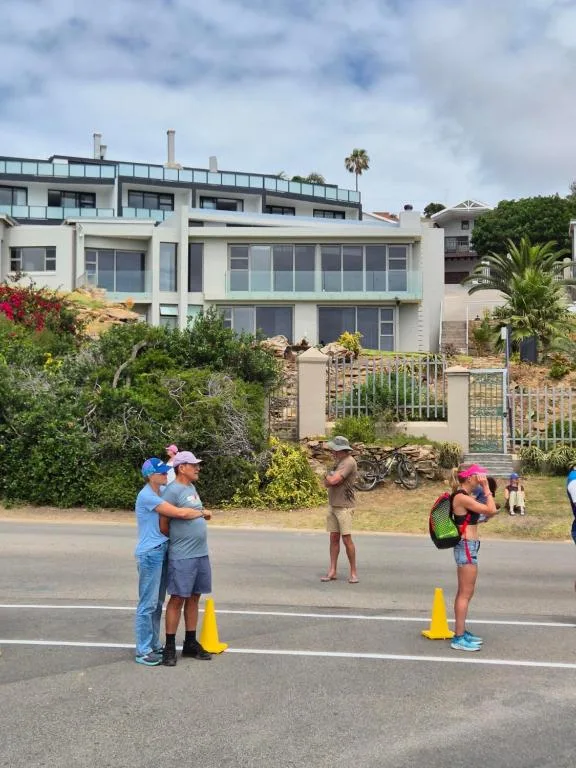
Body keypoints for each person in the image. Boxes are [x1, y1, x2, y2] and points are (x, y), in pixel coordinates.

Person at [134, 457, 205, 667]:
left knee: (157, 603)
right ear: (150, 476)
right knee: (147, 604)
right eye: (162, 473)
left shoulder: (159, 493)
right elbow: (178, 513)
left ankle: (154, 644)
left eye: (166, 472)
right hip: (150, 553)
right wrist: (203, 513)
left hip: (162, 550)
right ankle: (143, 649)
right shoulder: (148, 496)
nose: (166, 475)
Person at [159, 450, 213, 666]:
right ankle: (169, 647)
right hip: (183, 555)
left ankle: (190, 642)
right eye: (193, 465)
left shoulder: (191, 487)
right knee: (178, 598)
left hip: (200, 553)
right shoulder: (172, 491)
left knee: (194, 596)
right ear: (182, 467)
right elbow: (163, 523)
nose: (197, 468)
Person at [449, 463, 498, 652]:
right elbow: (491, 509)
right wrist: (487, 489)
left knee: (465, 592)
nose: (481, 479)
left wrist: (486, 512)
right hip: (466, 546)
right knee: (465, 593)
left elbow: (482, 515)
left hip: (468, 545)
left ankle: (461, 631)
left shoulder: (465, 497)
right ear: (469, 478)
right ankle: (459, 637)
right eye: (478, 477)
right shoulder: (462, 497)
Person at [321, 435, 359, 584]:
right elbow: (326, 483)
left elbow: (334, 480)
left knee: (346, 539)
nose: (332, 452)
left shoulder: (349, 462)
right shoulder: (338, 463)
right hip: (333, 505)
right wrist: (329, 478)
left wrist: (329, 478)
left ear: (342, 450)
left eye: (334, 450)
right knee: (334, 538)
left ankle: (353, 573)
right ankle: (332, 571)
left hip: (344, 507)